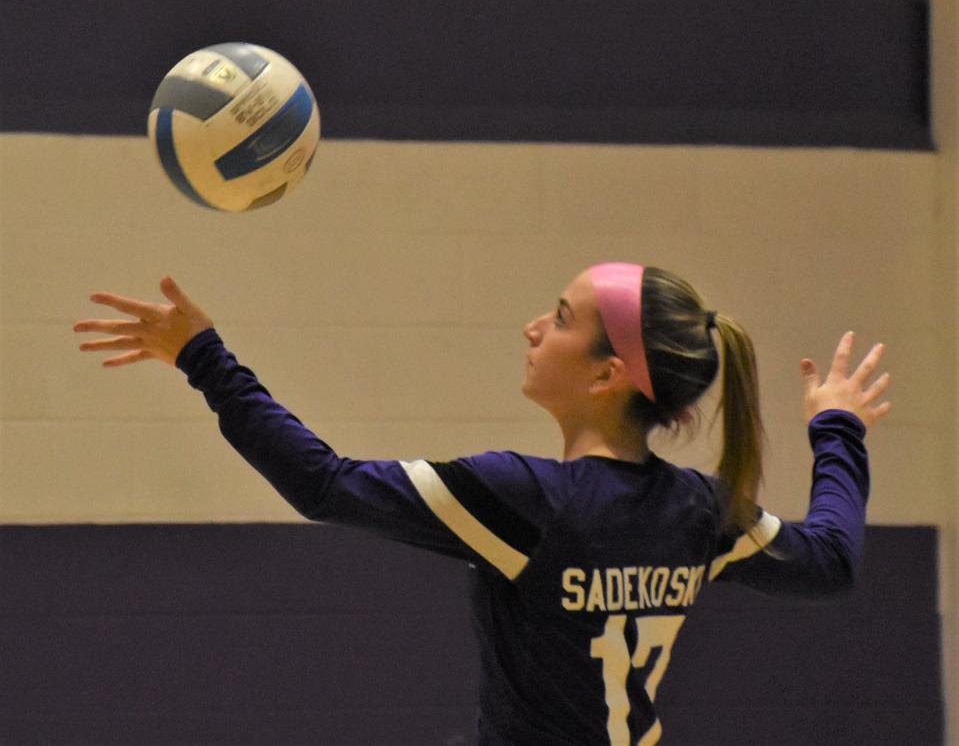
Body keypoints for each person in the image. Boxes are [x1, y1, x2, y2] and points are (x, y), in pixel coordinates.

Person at [73, 263, 891, 746]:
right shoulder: (696, 511)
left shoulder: (524, 498)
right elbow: (830, 562)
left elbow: (322, 482)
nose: (534, 326)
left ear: (608, 375)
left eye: (563, 319)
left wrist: (202, 356)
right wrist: (835, 428)